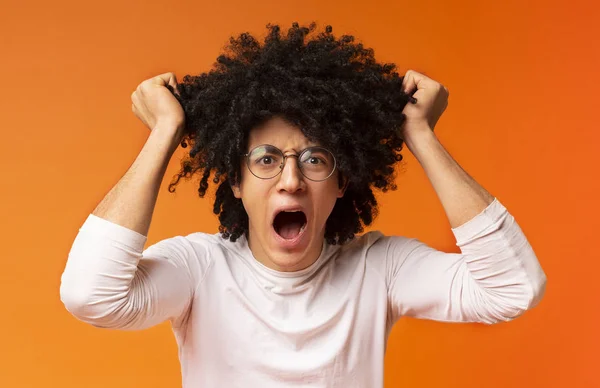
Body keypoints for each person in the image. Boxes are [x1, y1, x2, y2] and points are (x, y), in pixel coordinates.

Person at [60, 22, 547, 387]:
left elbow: (514, 290)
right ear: (234, 181)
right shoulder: (200, 268)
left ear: (342, 182)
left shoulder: (379, 269)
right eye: (266, 159)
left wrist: (419, 134)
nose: (291, 181)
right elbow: (90, 295)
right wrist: (165, 133)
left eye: (315, 159)